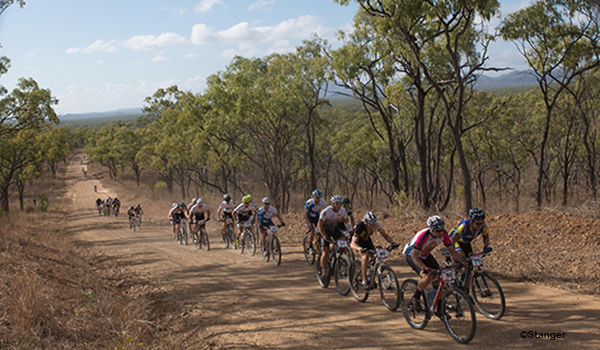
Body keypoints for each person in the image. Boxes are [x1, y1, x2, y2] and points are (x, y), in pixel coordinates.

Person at [403, 215, 465, 312]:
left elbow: (452, 252)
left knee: (440, 276)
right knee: (427, 277)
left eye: (442, 229)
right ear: (431, 230)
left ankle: (438, 306)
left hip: (425, 255)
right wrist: (424, 268)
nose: (441, 233)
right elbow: (414, 256)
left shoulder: (444, 235)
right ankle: (416, 297)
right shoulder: (423, 236)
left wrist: (461, 260)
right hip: (413, 256)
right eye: (438, 231)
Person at [350, 211, 396, 287]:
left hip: (367, 239)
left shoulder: (376, 225)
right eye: (370, 224)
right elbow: (352, 243)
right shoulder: (360, 226)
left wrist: (392, 243)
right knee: (365, 256)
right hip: (358, 240)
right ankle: (364, 280)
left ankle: (370, 275)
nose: (372, 226)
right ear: (365, 222)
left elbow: (385, 235)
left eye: (373, 224)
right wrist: (359, 249)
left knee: (375, 255)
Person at [317, 194, 349, 277]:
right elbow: (319, 226)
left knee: (343, 240)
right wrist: (324, 236)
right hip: (325, 230)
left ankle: (342, 259)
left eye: (340, 204)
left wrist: (350, 231)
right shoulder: (326, 212)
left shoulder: (342, 210)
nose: (339, 206)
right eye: (336, 204)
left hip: (335, 230)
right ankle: (324, 271)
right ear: (332, 204)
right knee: (325, 252)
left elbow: (347, 222)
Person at [304, 189, 326, 254]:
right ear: (313, 197)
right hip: (309, 217)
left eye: (319, 197)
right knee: (312, 230)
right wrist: (308, 223)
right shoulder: (309, 202)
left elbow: (325, 211)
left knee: (320, 230)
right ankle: (310, 246)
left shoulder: (323, 202)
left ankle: (319, 244)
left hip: (317, 216)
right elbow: (305, 213)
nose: (318, 199)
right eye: (317, 197)